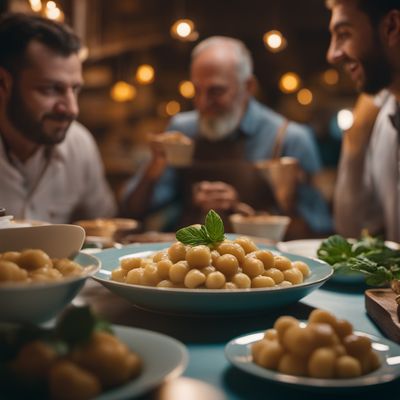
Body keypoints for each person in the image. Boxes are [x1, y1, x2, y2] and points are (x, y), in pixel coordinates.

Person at [123, 36, 332, 237]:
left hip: (260, 267)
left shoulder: (290, 139)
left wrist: (242, 209)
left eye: (216, 92)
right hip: (190, 263)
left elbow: (317, 231)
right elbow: (132, 212)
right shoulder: (182, 129)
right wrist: (152, 171)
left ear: (248, 87)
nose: (202, 103)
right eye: (196, 90)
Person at [0, 13, 116, 224]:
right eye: (51, 89)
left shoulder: (79, 143)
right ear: (3, 83)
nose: (72, 109)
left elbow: (104, 228)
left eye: (75, 89)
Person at [326, 0, 400, 241]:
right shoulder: (383, 119)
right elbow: (353, 231)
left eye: (344, 34)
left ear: (391, 26)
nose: (333, 54)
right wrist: (356, 133)